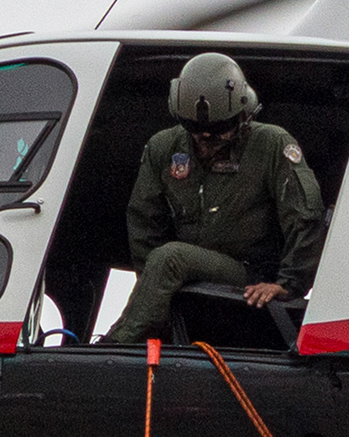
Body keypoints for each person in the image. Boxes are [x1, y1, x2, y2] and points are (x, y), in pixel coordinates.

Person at [103, 50, 326, 345]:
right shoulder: (163, 147)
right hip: (185, 274)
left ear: (244, 116)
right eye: (195, 130)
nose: (206, 139)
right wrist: (154, 288)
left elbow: (305, 215)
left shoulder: (272, 144)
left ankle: (118, 344)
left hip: (248, 275)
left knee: (170, 257)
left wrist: (287, 285)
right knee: (166, 259)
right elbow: (144, 220)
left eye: (219, 130)